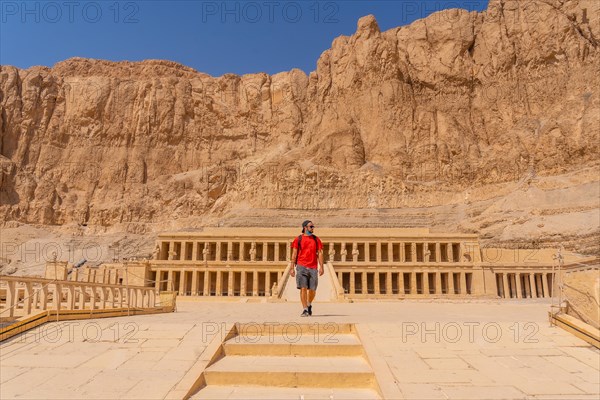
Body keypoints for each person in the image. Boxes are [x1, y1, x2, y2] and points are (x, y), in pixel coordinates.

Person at [289, 220, 324, 317]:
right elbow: (294, 253)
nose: (313, 228)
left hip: (313, 267)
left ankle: (309, 304)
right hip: (301, 266)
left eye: (313, 226)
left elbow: (320, 253)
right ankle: (304, 309)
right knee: (303, 288)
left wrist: (322, 266)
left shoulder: (316, 239)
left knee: (312, 290)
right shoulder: (298, 239)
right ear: (305, 227)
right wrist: (292, 267)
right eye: (311, 226)